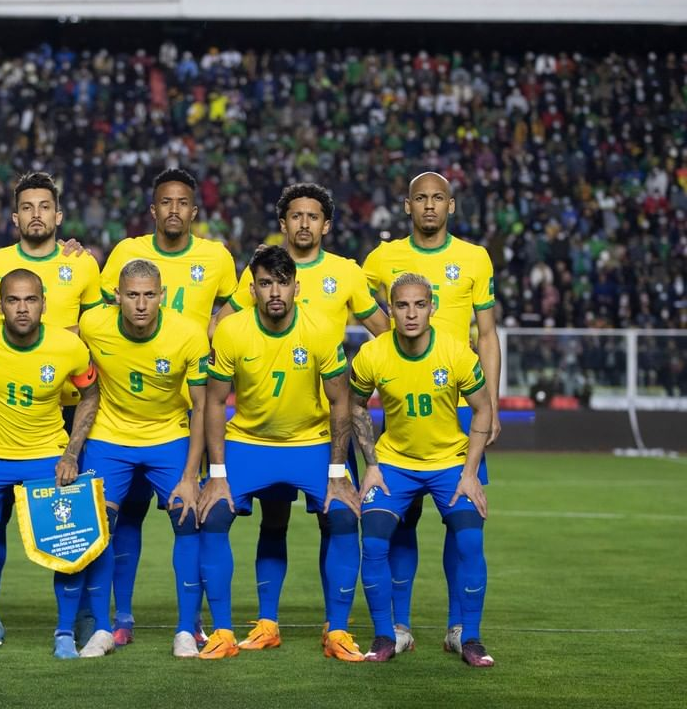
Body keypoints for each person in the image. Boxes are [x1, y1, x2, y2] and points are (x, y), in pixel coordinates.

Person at [214, 182, 389, 651]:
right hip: (263, 426)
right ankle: (266, 624)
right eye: (296, 216)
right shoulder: (261, 270)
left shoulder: (346, 274)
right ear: (284, 222)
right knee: (273, 522)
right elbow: (222, 326)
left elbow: (386, 333)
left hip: (320, 429)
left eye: (313, 216)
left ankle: (336, 629)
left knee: (336, 519)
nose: (305, 223)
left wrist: (376, 379)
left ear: (326, 225)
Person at [95, 167, 238, 645]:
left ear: (193, 211)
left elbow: (233, 307)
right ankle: (120, 619)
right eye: (165, 202)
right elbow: (96, 318)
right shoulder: (125, 253)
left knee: (188, 514)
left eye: (182, 203)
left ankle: (190, 622)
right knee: (123, 520)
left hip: (181, 417)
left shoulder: (216, 257)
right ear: (153, 209)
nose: (173, 210)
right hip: (122, 412)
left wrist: (213, 337)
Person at [197, 246, 360, 661]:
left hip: (310, 443)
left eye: (282, 283)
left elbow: (340, 401)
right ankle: (229, 631)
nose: (275, 291)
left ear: (296, 287)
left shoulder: (322, 329)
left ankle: (337, 631)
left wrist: (339, 471)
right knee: (212, 515)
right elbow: (215, 403)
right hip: (249, 444)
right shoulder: (232, 331)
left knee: (342, 516)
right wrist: (216, 473)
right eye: (266, 283)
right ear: (252, 289)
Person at [0, 171, 103, 649]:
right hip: (4, 416)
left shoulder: (82, 265)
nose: (37, 214)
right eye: (28, 207)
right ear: (15, 215)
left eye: (46, 206)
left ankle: (81, 617)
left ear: (58, 216)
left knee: (72, 522)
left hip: (66, 416)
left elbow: (99, 330)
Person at [362, 171, 500, 653]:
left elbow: (486, 334)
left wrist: (493, 401)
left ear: (451, 206)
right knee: (401, 519)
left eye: (437, 198)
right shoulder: (382, 258)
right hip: (406, 401)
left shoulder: (474, 257)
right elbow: (360, 306)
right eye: (420, 198)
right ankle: (397, 626)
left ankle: (460, 626)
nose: (428, 206)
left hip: (462, 401)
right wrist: (389, 346)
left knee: (460, 518)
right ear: (407, 206)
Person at [0, 269, 101, 658]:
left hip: (46, 453)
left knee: (70, 536)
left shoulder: (69, 347)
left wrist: (70, 454)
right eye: (13, 300)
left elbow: (90, 395)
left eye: (30, 300)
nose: (22, 308)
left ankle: (64, 632)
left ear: (44, 304)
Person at [349, 272, 494, 667]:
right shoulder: (373, 354)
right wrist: (372, 465)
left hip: (450, 463)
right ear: (391, 310)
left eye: (419, 304)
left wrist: (470, 472)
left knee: (469, 542)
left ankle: (470, 638)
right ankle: (387, 635)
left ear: (433, 307)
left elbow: (483, 408)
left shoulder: (457, 352)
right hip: (394, 464)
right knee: (375, 542)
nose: (411, 313)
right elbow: (356, 405)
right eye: (401, 305)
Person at [77, 258, 210, 658]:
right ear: (116, 296)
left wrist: (191, 474)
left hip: (168, 435)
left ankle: (186, 629)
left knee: (188, 521)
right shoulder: (93, 326)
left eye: (149, 295)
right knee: (98, 527)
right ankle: (102, 627)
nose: (140, 304)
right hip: (109, 437)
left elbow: (202, 408)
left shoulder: (187, 334)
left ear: (162, 296)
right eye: (132, 295)